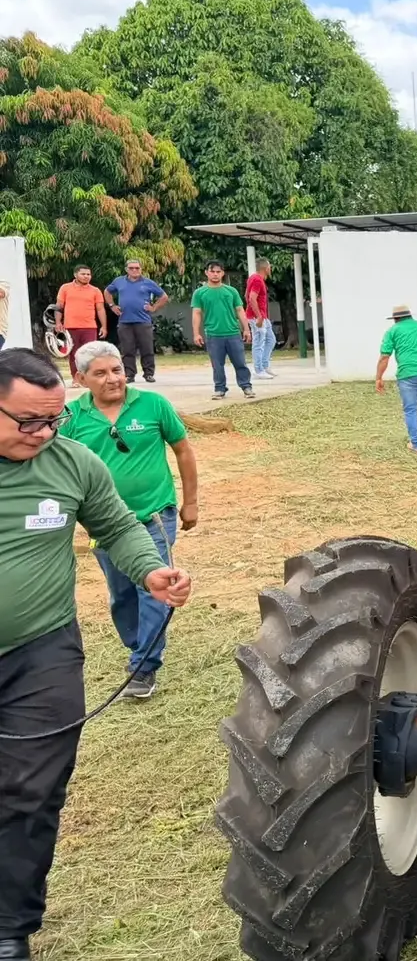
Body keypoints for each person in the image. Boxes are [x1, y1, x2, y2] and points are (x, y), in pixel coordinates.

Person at [0, 348, 191, 960]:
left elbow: (115, 526)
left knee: (33, 791)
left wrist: (152, 570)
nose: (44, 434)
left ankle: (9, 927)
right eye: (28, 421)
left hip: (42, 652)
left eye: (53, 420)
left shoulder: (71, 462)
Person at [59, 340, 199, 699]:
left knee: (153, 588)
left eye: (117, 370)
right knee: (121, 594)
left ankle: (144, 666)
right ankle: (141, 644)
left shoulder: (152, 405)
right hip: (102, 526)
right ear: (80, 378)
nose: (113, 379)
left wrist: (190, 503)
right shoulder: (72, 419)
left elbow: (182, 449)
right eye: (101, 373)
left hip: (154, 517)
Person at [376, 304, 417, 453]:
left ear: (395, 318)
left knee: (410, 409)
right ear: (410, 315)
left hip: (407, 374)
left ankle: (416, 444)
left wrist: (379, 377)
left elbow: (385, 356)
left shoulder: (393, 331)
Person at [191, 260, 254, 400]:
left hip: (233, 333)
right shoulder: (200, 293)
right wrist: (196, 333)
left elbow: (240, 310)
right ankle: (220, 388)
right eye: (212, 271)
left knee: (240, 362)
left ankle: (246, 386)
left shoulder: (231, 291)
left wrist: (246, 329)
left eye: (218, 272)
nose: (215, 274)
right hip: (213, 334)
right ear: (206, 273)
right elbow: (196, 313)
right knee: (217, 364)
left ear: (223, 273)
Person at [104, 260, 169, 383]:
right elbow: (107, 291)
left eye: (137, 268)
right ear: (126, 269)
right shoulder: (119, 281)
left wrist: (154, 307)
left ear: (141, 269)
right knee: (127, 349)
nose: (135, 270)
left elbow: (164, 296)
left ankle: (148, 374)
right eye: (131, 268)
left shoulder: (148, 282)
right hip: (124, 321)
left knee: (147, 348)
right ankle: (129, 374)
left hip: (143, 321)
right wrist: (112, 305)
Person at [54, 265, 108, 387]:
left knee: (91, 354)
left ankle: (90, 379)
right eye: (83, 274)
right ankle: (76, 379)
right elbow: (59, 306)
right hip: (70, 327)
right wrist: (58, 322)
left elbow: (100, 309)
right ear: (75, 275)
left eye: (88, 274)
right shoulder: (65, 288)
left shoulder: (95, 290)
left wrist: (103, 326)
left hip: (90, 327)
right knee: (74, 354)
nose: (86, 276)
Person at [246, 257, 277, 379]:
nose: (270, 269)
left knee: (271, 340)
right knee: (258, 342)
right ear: (266, 268)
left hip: (262, 316)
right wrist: (258, 316)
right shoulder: (257, 280)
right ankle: (258, 370)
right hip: (257, 317)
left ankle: (264, 365)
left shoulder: (254, 279)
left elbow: (246, 295)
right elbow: (251, 298)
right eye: (270, 267)